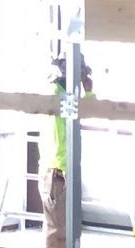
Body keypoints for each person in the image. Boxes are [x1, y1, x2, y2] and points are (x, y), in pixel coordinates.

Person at [43, 56, 93, 248]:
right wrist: (64, 168)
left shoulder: (69, 93)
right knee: (58, 230)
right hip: (57, 169)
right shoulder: (56, 93)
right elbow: (57, 136)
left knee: (66, 228)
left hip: (64, 166)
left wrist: (88, 93)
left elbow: (87, 114)